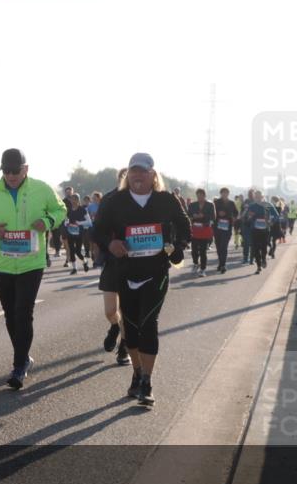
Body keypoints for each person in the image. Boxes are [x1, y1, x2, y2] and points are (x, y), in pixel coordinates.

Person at [92, 153, 190, 406]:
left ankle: (147, 380)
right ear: (128, 174)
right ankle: (137, 372)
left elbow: (184, 225)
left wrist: (176, 245)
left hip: (155, 273)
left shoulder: (166, 200)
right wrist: (110, 242)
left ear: (152, 175)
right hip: (124, 272)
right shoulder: (115, 201)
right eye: (133, 171)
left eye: (143, 171)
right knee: (132, 330)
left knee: (149, 324)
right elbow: (98, 230)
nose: (138, 175)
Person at [0, 149, 66, 390]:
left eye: (16, 171)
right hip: (3, 263)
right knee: (9, 313)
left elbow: (61, 211)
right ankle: (24, 357)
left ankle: (18, 366)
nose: (11, 175)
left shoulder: (42, 189)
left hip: (31, 262)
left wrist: (47, 222)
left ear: (26, 169)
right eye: (7, 171)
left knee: (23, 312)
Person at [93, 169, 129, 364]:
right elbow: (97, 229)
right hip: (112, 260)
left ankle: (124, 348)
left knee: (128, 310)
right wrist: (100, 247)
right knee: (110, 310)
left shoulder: (143, 200)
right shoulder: (109, 199)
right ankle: (115, 326)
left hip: (134, 262)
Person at [187, 189, 215, 277]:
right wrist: (193, 216)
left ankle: (203, 269)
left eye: (201, 196)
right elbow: (188, 215)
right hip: (195, 229)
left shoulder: (210, 205)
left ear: (204, 195)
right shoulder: (192, 205)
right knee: (194, 250)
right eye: (198, 196)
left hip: (205, 229)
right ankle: (195, 263)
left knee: (203, 251)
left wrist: (204, 217)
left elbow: (213, 217)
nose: (199, 198)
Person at [212, 187, 239, 274]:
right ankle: (220, 263)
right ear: (221, 193)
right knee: (219, 246)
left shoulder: (231, 203)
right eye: (223, 192)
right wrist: (217, 214)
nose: (224, 194)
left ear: (228, 194)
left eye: (226, 193)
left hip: (227, 227)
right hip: (217, 227)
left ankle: (223, 265)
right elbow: (212, 213)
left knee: (224, 246)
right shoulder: (216, 202)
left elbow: (236, 213)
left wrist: (232, 218)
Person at [64, 193, 91, 275]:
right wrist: (67, 223)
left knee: (78, 252)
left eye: (75, 199)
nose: (73, 201)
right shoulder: (69, 210)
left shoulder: (82, 210)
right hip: (70, 232)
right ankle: (74, 268)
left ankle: (85, 261)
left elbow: (89, 222)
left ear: (78, 200)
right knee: (71, 250)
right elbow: (66, 221)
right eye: (72, 199)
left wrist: (79, 222)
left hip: (79, 233)